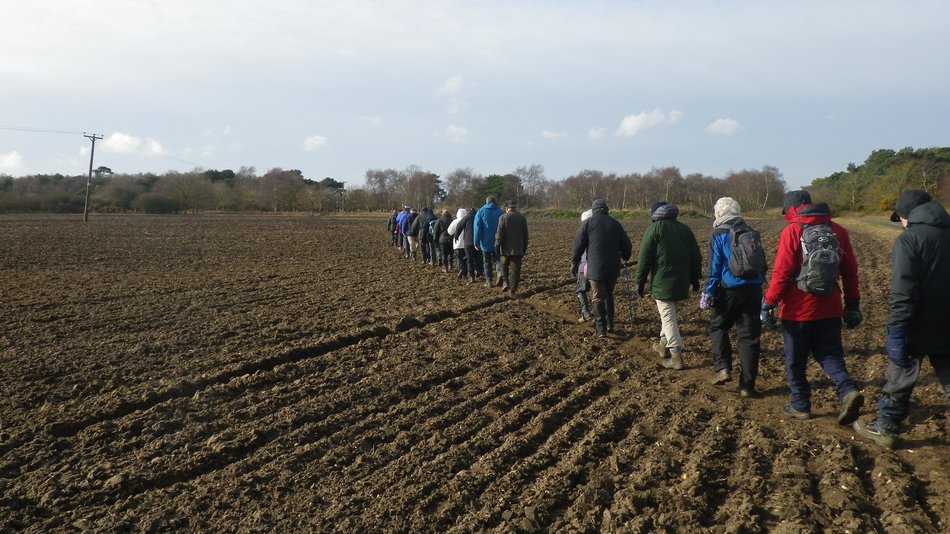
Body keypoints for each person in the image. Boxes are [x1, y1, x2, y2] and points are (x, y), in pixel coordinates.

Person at [853, 190, 950, 449]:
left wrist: (897, 328)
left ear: (906, 216)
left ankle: (886, 425)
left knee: (901, 372)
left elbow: (903, 290)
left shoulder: (910, 240)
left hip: (916, 321)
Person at [762, 190, 864, 424]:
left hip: (797, 309)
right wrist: (852, 304)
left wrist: (768, 302)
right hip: (830, 305)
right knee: (830, 354)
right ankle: (847, 390)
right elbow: (850, 271)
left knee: (795, 359)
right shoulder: (838, 231)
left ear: (791, 209)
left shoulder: (792, 231)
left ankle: (800, 404)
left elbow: (782, 272)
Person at [702, 197, 764, 397]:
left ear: (719, 214)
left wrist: (708, 292)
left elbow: (715, 267)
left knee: (718, 326)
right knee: (749, 338)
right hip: (754, 289)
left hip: (729, 290)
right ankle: (747, 386)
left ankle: (722, 368)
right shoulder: (750, 232)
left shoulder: (719, 233)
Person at [635, 201, 702, 369]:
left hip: (662, 281)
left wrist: (640, 281)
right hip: (681, 280)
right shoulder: (685, 229)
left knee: (668, 316)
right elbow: (696, 256)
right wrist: (695, 279)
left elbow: (644, 259)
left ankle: (676, 355)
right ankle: (662, 345)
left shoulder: (654, 229)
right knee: (669, 313)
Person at [572, 199, 633, 338]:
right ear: (606, 209)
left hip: (595, 267)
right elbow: (627, 245)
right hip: (613, 268)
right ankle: (610, 324)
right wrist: (625, 255)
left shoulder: (587, 223)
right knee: (609, 294)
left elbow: (578, 244)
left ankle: (600, 329)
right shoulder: (615, 223)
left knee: (598, 296)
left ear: (593, 210)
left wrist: (575, 262)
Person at [495, 200, 529, 296]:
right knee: (515, 271)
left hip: (505, 249)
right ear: (515, 208)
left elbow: (499, 234)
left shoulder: (503, 217)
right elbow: (525, 235)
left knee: (503, 265)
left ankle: (505, 282)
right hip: (518, 249)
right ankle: (512, 290)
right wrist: (524, 248)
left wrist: (497, 245)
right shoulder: (522, 218)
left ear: (507, 208)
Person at [474, 196, 504, 287]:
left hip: (485, 241)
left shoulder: (481, 211)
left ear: (486, 202)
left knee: (486, 262)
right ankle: (499, 272)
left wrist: (476, 241)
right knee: (497, 259)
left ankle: (489, 281)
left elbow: (477, 228)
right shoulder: (500, 211)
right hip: (498, 240)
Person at [574, 210, 594, 322]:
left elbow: (577, 250)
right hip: (597, 266)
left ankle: (585, 313)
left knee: (580, 290)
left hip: (584, 266)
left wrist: (574, 263)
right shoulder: (599, 233)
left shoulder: (582, 232)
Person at [447, 208, 469, 279]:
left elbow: (449, 231)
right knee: (466, 258)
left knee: (459, 258)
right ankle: (465, 272)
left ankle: (461, 269)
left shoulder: (455, 221)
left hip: (457, 243)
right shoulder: (467, 220)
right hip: (466, 242)